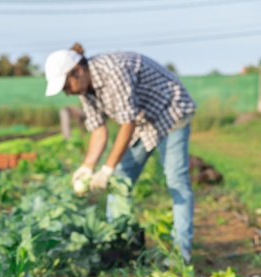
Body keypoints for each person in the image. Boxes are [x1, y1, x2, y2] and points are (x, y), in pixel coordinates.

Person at [44, 44, 196, 263]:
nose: (67, 92)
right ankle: (120, 247)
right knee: (120, 182)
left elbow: (127, 124)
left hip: (170, 112)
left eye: (66, 86)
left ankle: (181, 255)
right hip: (145, 122)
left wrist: (105, 169)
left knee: (176, 181)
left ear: (77, 71)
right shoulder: (85, 90)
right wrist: (87, 166)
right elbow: (98, 130)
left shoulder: (112, 71)